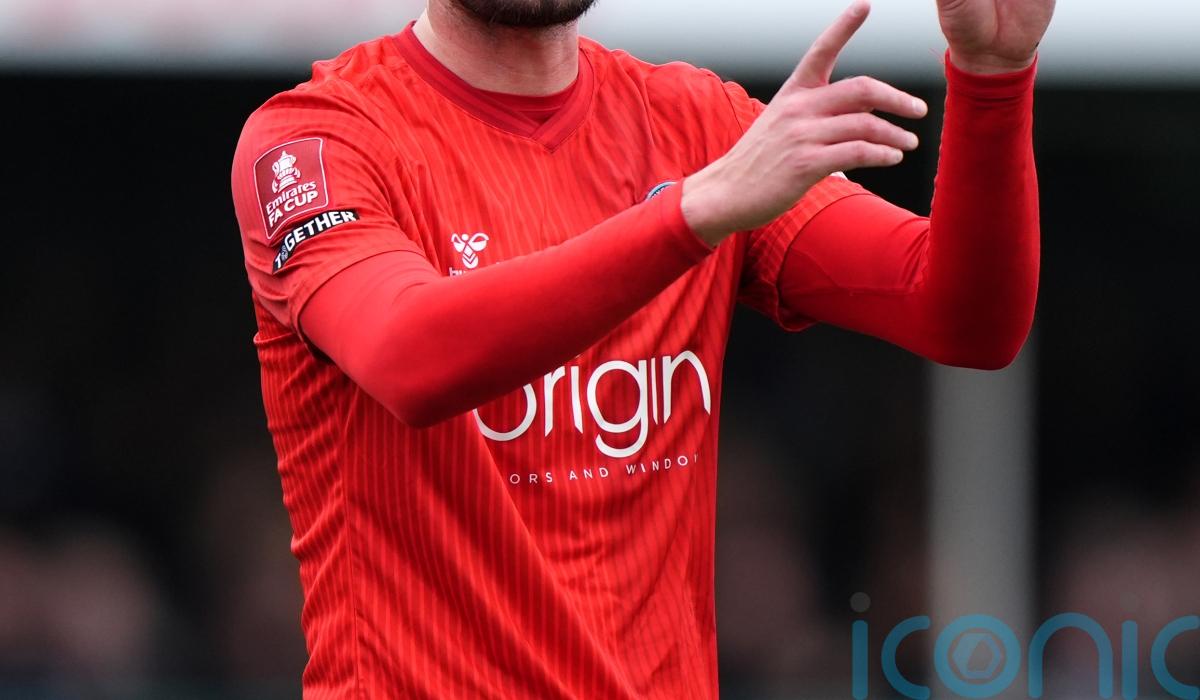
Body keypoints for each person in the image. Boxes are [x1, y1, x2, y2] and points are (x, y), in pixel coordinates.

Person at [230, 0, 1053, 695]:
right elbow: (408, 356)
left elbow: (965, 320)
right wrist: (691, 214)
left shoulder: (697, 128)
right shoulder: (317, 141)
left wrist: (992, 78)